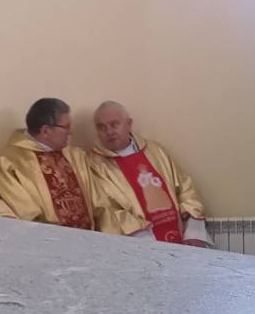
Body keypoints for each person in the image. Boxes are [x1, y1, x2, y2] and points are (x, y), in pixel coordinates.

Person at [88, 101, 210, 247]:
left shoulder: (155, 151)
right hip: (139, 245)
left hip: (184, 238)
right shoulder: (95, 166)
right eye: (102, 127)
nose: (109, 132)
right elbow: (106, 211)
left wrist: (194, 231)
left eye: (114, 124)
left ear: (129, 124)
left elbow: (185, 188)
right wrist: (148, 245)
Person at [0, 98, 100, 230]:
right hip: (47, 239)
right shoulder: (7, 162)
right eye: (66, 127)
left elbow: (99, 204)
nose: (70, 132)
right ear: (46, 130)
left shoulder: (76, 156)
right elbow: (26, 215)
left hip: (92, 237)